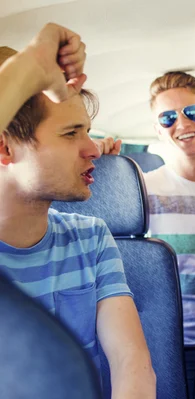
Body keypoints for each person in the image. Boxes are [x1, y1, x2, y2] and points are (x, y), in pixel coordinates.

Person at [0, 25, 156, 399]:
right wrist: (32, 65)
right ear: (4, 149)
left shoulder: (90, 237)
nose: (94, 149)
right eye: (71, 134)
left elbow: (131, 363)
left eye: (88, 132)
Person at [96, 71, 195, 397]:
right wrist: (102, 167)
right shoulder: (140, 191)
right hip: (162, 343)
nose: (182, 124)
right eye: (168, 117)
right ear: (157, 129)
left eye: (191, 112)